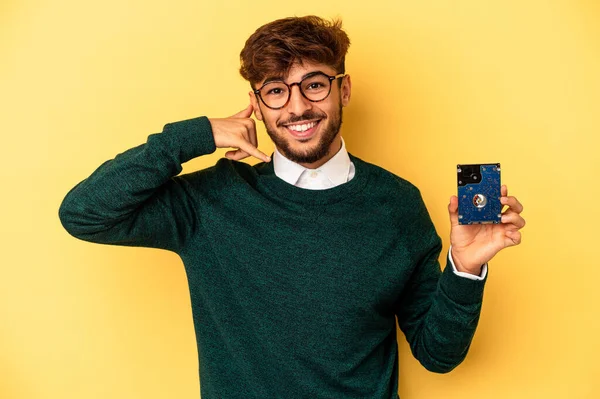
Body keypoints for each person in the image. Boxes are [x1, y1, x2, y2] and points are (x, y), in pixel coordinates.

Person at [59, 15, 525, 399]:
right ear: (257, 105)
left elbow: (437, 355)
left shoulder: (397, 203)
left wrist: (464, 270)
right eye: (276, 90)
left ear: (343, 89)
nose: (297, 107)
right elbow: (83, 213)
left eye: (314, 85)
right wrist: (195, 135)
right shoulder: (213, 200)